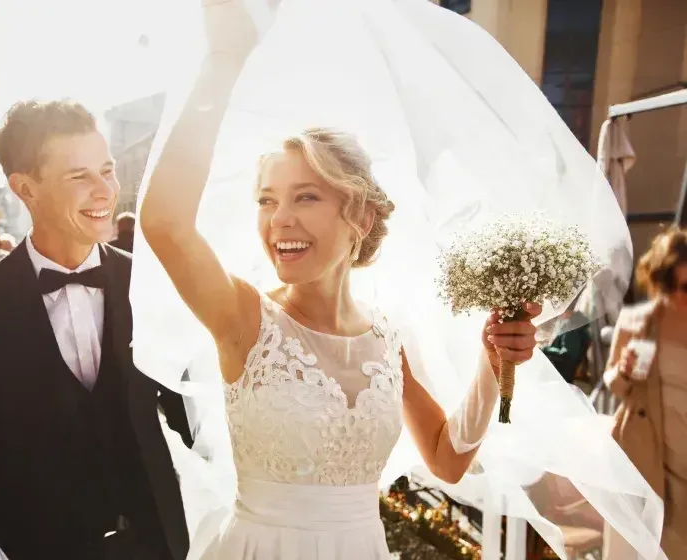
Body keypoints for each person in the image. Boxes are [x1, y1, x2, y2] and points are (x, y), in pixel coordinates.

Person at [138, 2, 542, 558]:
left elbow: (448, 460)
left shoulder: (386, 341)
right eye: (267, 200)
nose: (280, 218)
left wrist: (494, 365)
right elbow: (163, 221)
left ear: (361, 217)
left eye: (306, 196)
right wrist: (224, 60)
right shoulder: (243, 318)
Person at [0, 99, 193, 560]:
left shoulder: (150, 285)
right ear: (25, 188)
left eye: (107, 171)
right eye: (79, 176)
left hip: (156, 545)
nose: (105, 190)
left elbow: (191, 415)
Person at [603, 227, 687, 559]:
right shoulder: (635, 322)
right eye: (674, 286)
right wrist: (623, 369)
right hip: (644, 451)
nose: (681, 296)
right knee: (638, 547)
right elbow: (614, 385)